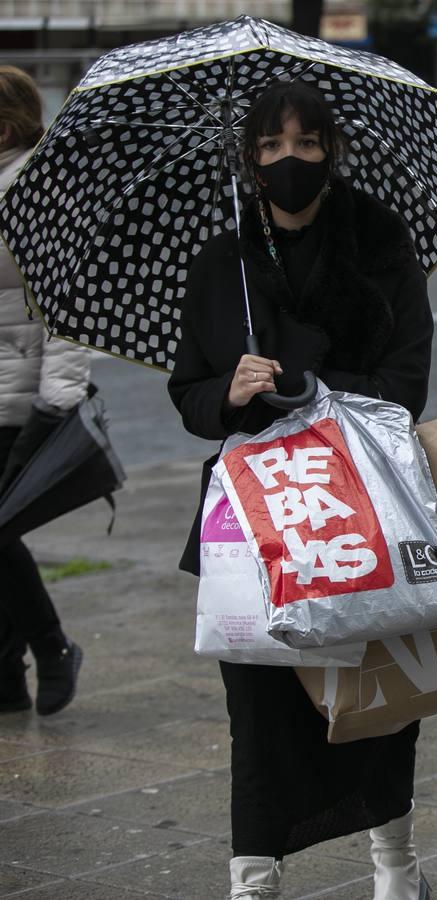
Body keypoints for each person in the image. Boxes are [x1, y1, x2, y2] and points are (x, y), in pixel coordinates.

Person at [167, 81, 434, 900]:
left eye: (308, 144)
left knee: (377, 686)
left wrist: (307, 385)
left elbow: (406, 382)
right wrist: (231, 392)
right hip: (253, 519)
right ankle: (254, 876)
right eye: (274, 146)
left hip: (359, 502)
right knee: (257, 695)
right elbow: (188, 396)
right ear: (250, 160)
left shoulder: (380, 243)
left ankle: (396, 862)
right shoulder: (222, 265)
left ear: (332, 151)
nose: (292, 161)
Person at [0, 65, 89, 717]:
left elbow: (69, 309)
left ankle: (52, 646)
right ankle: (5, 681)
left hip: (21, 395)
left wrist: (58, 400)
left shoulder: (39, 190)